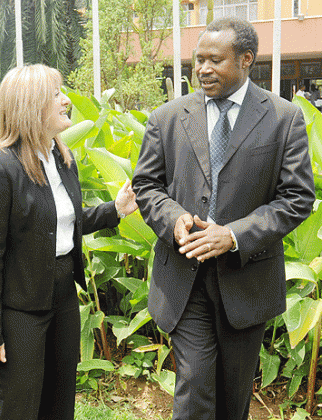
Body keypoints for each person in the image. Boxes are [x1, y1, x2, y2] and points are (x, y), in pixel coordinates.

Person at [132, 17, 315, 420]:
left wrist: (233, 235)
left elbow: (298, 197)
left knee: (233, 399)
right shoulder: (166, 118)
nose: (202, 69)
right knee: (195, 387)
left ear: (246, 59)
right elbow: (146, 185)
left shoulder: (283, 118)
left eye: (215, 60)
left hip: (246, 280)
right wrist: (174, 218)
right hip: (183, 279)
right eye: (199, 60)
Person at [0, 64, 138, 420]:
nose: (66, 102)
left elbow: (60, 224)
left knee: (60, 405)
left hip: (61, 297)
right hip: (19, 308)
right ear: (31, 105)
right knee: (18, 409)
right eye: (57, 95)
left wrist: (115, 210)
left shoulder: (61, 158)